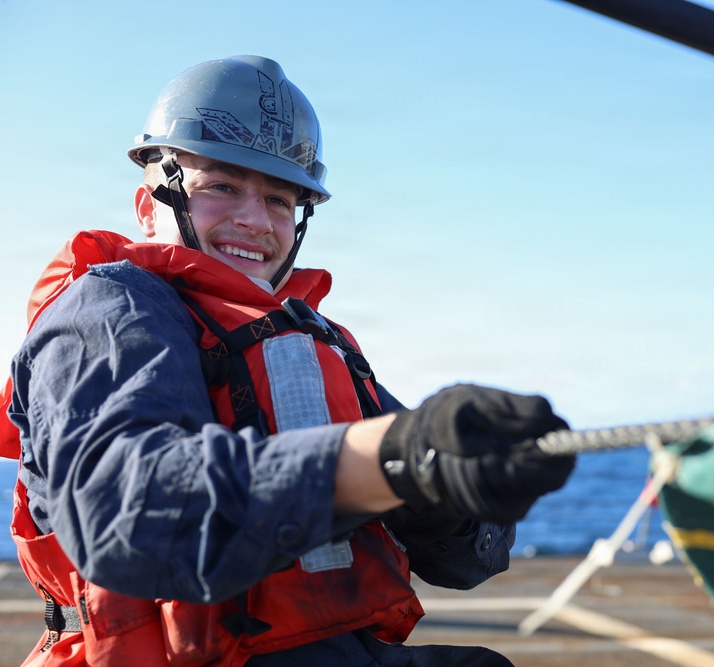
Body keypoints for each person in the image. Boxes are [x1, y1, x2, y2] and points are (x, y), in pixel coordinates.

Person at [0, 55, 576, 666]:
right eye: (221, 187)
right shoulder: (108, 308)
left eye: (279, 199)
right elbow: (126, 515)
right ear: (149, 207)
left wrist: (457, 481)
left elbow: (466, 561)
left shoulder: (306, 340)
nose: (255, 220)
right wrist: (389, 458)